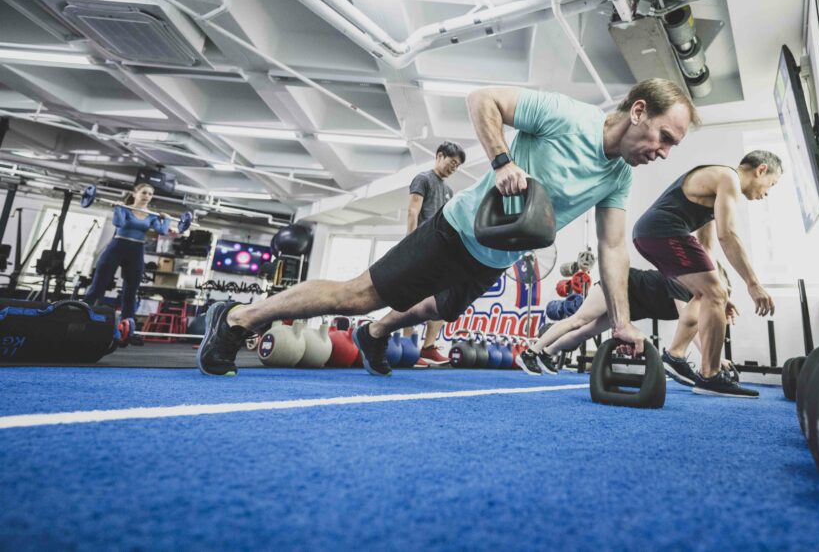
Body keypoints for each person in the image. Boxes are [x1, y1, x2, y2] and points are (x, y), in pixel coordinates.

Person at [196, 78, 698, 376]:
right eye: (665, 137)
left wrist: (623, 321)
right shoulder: (568, 117)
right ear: (638, 111)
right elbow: (483, 99)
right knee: (356, 295)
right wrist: (502, 161)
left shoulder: (617, 177)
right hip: (455, 232)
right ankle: (239, 318)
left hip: (496, 255)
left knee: (442, 306)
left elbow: (612, 248)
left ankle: (375, 335)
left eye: (673, 146)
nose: (664, 152)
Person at [629, 151, 782, 398]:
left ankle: (676, 355)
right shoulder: (728, 178)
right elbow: (728, 235)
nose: (766, 194)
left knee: (707, 295)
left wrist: (717, 292)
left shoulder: (716, 186)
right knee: (713, 294)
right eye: (771, 185)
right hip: (661, 230)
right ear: (761, 170)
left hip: (650, 234)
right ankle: (708, 374)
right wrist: (753, 284)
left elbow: (707, 245)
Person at [516, 265, 739, 385]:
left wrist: (716, 358)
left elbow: (698, 328)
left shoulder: (695, 301)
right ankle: (530, 352)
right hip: (618, 284)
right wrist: (714, 359)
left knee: (586, 331)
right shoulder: (682, 283)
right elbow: (690, 325)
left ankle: (547, 352)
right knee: (579, 320)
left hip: (628, 306)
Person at [402, 141, 465, 368]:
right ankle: (407, 349)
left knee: (442, 301)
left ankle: (428, 348)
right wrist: (410, 244)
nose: (453, 168)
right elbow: (412, 211)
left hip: (440, 252)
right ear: (439, 156)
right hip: (420, 248)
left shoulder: (448, 190)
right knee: (414, 299)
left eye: (457, 166)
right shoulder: (423, 179)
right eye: (452, 162)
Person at [82, 183, 171, 342]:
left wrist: (167, 219)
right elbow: (119, 223)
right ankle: (78, 317)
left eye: (150, 194)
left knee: (130, 292)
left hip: (136, 250)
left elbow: (162, 231)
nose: (147, 196)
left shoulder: (151, 215)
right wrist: (118, 208)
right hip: (117, 247)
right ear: (135, 193)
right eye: (144, 192)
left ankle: (127, 330)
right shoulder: (125, 209)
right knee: (97, 288)